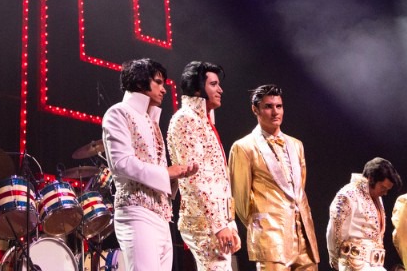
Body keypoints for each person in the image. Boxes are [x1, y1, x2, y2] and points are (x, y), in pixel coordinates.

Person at [101, 58, 198, 271]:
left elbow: (155, 170)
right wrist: (166, 172)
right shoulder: (118, 112)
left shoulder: (151, 119)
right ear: (139, 83)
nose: (164, 89)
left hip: (162, 216)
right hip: (136, 211)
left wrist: (176, 175)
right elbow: (121, 163)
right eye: (158, 82)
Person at [230, 84, 321, 271]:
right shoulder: (243, 147)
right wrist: (261, 227)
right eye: (268, 106)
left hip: (304, 235)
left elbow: (298, 188)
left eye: (278, 106)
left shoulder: (296, 145)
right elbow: (240, 199)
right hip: (270, 236)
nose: (275, 112)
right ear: (255, 109)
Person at [167, 60, 240, 271]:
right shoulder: (185, 119)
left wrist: (229, 223)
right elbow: (195, 178)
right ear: (199, 89)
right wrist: (219, 226)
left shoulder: (204, 121)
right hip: (202, 221)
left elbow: (220, 179)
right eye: (214, 84)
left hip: (216, 220)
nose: (220, 90)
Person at [326, 157, 401, 271]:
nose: (385, 193)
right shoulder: (348, 194)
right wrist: (337, 262)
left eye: (387, 190)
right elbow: (334, 232)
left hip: (375, 265)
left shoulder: (376, 198)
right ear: (371, 179)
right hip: (354, 264)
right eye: (383, 188)